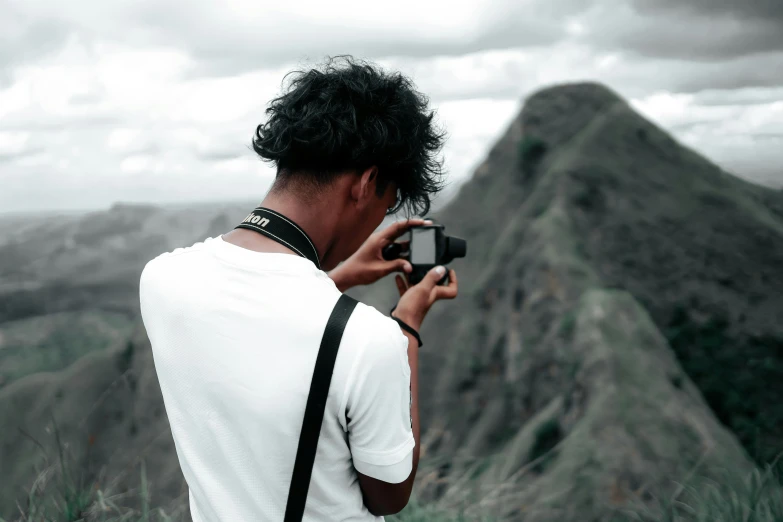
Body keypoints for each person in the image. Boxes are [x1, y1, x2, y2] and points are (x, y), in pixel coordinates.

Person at [138, 56, 458, 521]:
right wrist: (406, 325)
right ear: (367, 183)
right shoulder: (369, 339)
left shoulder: (162, 280)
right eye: (385, 206)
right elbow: (391, 493)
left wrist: (343, 274)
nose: (376, 222)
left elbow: (264, 320)